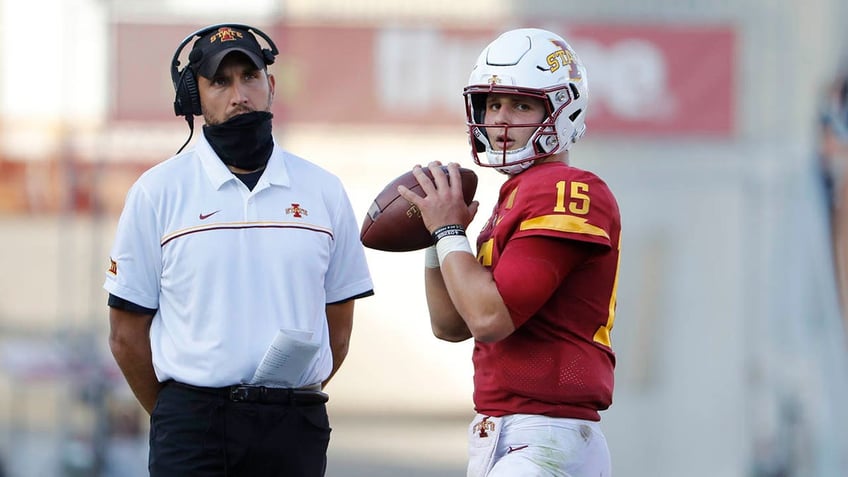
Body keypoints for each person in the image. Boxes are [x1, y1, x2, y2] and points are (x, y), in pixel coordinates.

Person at [104, 24, 374, 476]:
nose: (239, 94)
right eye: (220, 82)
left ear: (270, 85)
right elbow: (125, 336)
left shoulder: (324, 191)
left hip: (294, 426)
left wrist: (278, 405)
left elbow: (338, 332)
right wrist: (181, 414)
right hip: (192, 428)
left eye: (249, 77)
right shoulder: (156, 192)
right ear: (195, 98)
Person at [398, 28, 620, 476]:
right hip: (509, 432)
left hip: (543, 435)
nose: (500, 119)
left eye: (521, 105)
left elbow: (489, 318)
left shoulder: (564, 188)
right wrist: (438, 238)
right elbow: (451, 324)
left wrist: (447, 229)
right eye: (493, 104)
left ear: (562, 108)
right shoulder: (514, 198)